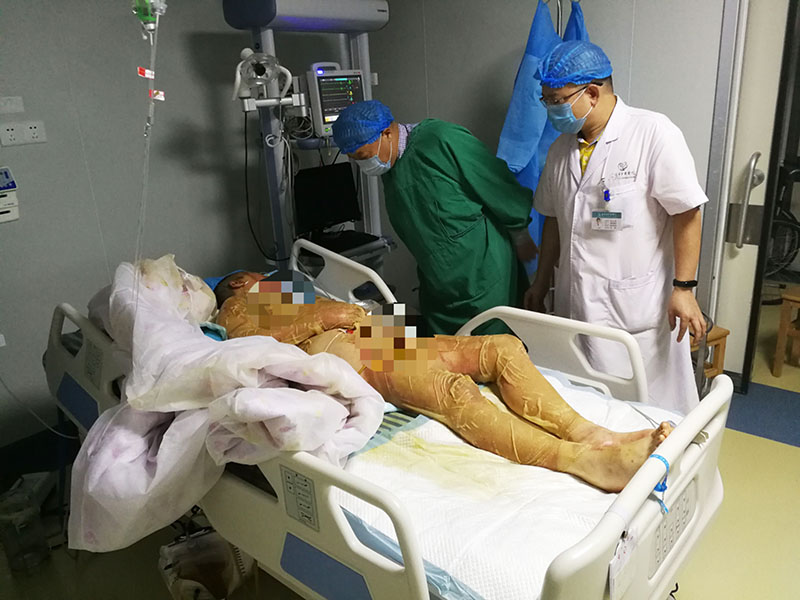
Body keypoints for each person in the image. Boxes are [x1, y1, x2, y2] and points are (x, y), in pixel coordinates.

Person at [214, 270, 673, 493]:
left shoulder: (290, 292)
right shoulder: (237, 306)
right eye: (257, 276)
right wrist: (322, 317)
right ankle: (583, 461)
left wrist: (356, 314)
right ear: (238, 282)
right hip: (357, 354)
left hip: (384, 337)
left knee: (502, 348)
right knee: (455, 391)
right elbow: (247, 345)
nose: (268, 278)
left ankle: (588, 432)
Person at [523, 41, 707, 414]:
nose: (552, 109)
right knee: (586, 410)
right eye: (547, 100)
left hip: (634, 310)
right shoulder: (560, 150)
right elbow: (552, 219)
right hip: (575, 304)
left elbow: (687, 212)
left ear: (592, 93)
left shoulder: (652, 133)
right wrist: (541, 282)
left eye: (557, 100)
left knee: (651, 412)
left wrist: (684, 288)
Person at [331, 100, 538, 336]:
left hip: (482, 276)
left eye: (363, 156)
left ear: (387, 133)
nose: (364, 165)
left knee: (491, 345)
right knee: (444, 350)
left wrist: (520, 234)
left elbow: (496, 183)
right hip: (438, 282)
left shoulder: (441, 139)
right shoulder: (391, 167)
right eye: (355, 159)